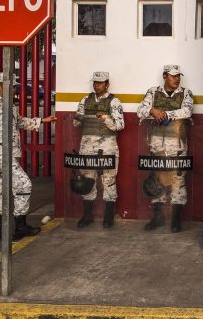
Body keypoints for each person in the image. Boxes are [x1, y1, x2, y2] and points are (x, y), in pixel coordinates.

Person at [0, 72, 56, 241]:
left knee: (1, 191)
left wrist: (42, 121)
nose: (14, 89)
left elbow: (19, 122)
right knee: (24, 185)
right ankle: (20, 227)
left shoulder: (9, 104)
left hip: (9, 154)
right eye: (11, 86)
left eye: (14, 86)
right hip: (0, 155)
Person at [137, 64, 194, 232]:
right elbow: (141, 111)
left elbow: (187, 111)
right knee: (157, 180)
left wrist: (167, 114)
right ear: (164, 76)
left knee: (177, 181)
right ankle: (158, 216)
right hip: (156, 145)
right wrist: (152, 110)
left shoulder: (186, 93)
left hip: (177, 146)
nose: (176, 79)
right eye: (172, 76)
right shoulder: (153, 92)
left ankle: (176, 219)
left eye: (178, 76)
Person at [73, 71, 125, 228]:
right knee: (88, 178)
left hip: (107, 146)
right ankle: (87, 216)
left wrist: (106, 119)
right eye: (95, 82)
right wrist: (78, 118)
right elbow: (76, 123)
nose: (97, 85)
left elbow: (120, 125)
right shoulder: (85, 100)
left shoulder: (114, 102)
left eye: (101, 82)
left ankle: (108, 217)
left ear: (107, 84)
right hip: (87, 145)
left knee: (108, 179)